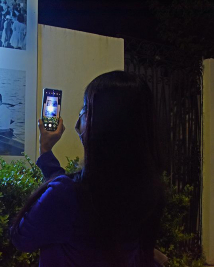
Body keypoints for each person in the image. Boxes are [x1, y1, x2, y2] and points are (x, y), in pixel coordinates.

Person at [11, 71, 165, 266]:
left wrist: (49, 161)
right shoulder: (148, 192)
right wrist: (46, 152)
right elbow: (82, 194)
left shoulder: (66, 195)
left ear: (101, 124)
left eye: (85, 110)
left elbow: (22, 237)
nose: (78, 123)